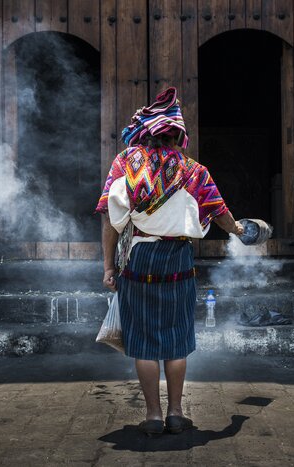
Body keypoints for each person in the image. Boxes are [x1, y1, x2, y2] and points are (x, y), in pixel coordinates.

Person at [95, 87, 243, 436]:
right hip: (177, 257)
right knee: (176, 337)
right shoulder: (194, 171)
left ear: (144, 131)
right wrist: (238, 229)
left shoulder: (125, 165)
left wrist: (108, 268)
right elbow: (219, 212)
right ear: (177, 132)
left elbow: (108, 218)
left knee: (144, 341)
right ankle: (176, 413)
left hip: (139, 257)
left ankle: (152, 417)